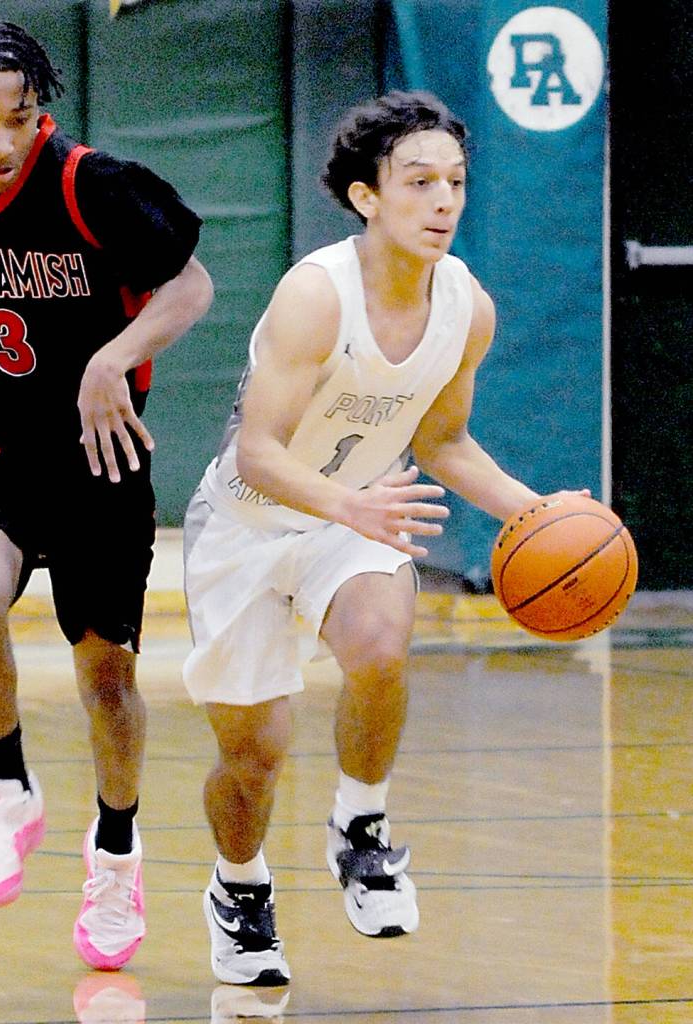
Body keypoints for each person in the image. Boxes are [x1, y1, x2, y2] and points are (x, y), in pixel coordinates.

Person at [182, 90, 588, 985]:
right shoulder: (315, 296)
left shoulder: (466, 308)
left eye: (455, 182)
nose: (443, 201)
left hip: (354, 512)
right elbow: (256, 453)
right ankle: (239, 886)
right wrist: (345, 504)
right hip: (248, 524)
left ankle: (361, 826)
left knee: (381, 644)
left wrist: (536, 511)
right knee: (252, 756)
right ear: (368, 196)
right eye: (418, 182)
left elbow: (442, 441)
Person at [0, 19, 212, 971]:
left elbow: (191, 288)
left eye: (20, 117)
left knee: (108, 678)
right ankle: (8, 790)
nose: (1, 141)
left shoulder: (90, 184)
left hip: (99, 458)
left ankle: (116, 853)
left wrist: (115, 355)